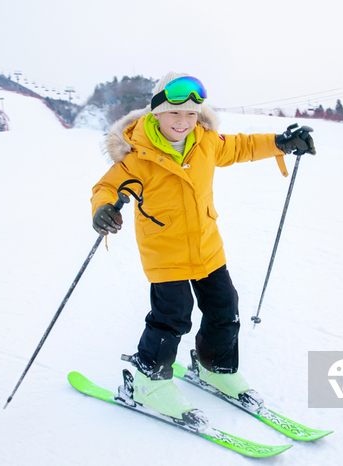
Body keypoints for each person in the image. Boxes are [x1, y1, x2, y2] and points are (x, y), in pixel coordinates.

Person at [90, 72, 315, 420]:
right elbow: (106, 187)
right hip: (165, 253)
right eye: (174, 113)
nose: (183, 122)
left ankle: (215, 367)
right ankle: (148, 380)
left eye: (192, 114)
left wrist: (281, 142)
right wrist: (104, 208)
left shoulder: (206, 141)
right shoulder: (138, 156)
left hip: (208, 247)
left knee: (225, 309)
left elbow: (242, 146)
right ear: (155, 113)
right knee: (171, 318)